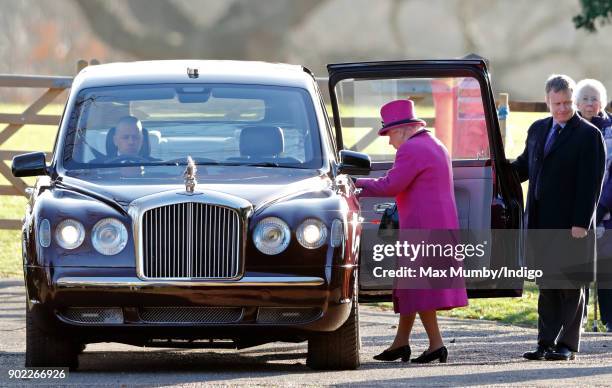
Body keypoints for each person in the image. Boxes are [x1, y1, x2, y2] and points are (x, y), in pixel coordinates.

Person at [354, 99, 468, 364]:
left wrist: (355, 182)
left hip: (423, 229)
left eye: (389, 134)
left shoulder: (412, 149)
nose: (389, 141)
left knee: (419, 287)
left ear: (403, 129)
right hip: (437, 227)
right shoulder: (435, 144)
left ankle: (436, 345)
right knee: (411, 288)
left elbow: (391, 185)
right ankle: (400, 343)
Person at [513, 75, 605, 361]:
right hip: (541, 222)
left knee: (570, 286)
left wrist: (581, 221)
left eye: (567, 102)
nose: (563, 108)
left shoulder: (589, 135)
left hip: (572, 225)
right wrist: (495, 170)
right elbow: (524, 166)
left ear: (574, 100)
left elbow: (591, 183)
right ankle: (545, 343)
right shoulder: (538, 129)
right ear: (548, 101)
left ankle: (567, 345)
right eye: (557, 103)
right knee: (547, 285)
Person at [575, 78, 612, 332]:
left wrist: (600, 207)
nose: (590, 103)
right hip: (577, 213)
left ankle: (610, 319)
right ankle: (579, 318)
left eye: (594, 98)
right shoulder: (569, 129)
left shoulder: (610, 130)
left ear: (602, 102)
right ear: (577, 102)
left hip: (607, 212)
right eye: (585, 98)